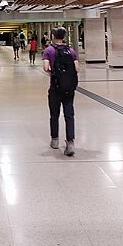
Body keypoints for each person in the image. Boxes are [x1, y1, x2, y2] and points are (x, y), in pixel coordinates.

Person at [43, 26, 79, 157]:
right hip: (69, 88)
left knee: (54, 114)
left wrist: (55, 71)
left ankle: (55, 140)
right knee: (69, 115)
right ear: (64, 37)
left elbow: (46, 68)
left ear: (53, 36)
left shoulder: (49, 50)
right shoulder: (71, 51)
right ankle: (70, 143)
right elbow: (76, 68)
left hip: (55, 87)